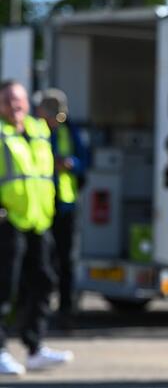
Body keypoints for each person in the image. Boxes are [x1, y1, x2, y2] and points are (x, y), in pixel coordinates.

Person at [0, 81, 74, 376]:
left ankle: (34, 348)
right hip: (8, 222)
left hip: (39, 221)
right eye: (7, 101)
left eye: (18, 100)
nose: (14, 106)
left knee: (44, 281)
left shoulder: (39, 131)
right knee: (5, 288)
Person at [33, 89, 87, 328]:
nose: (56, 120)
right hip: (40, 205)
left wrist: (70, 164)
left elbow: (85, 160)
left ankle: (66, 311)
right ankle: (34, 311)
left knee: (67, 261)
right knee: (41, 262)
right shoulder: (34, 131)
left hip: (66, 205)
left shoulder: (69, 129)